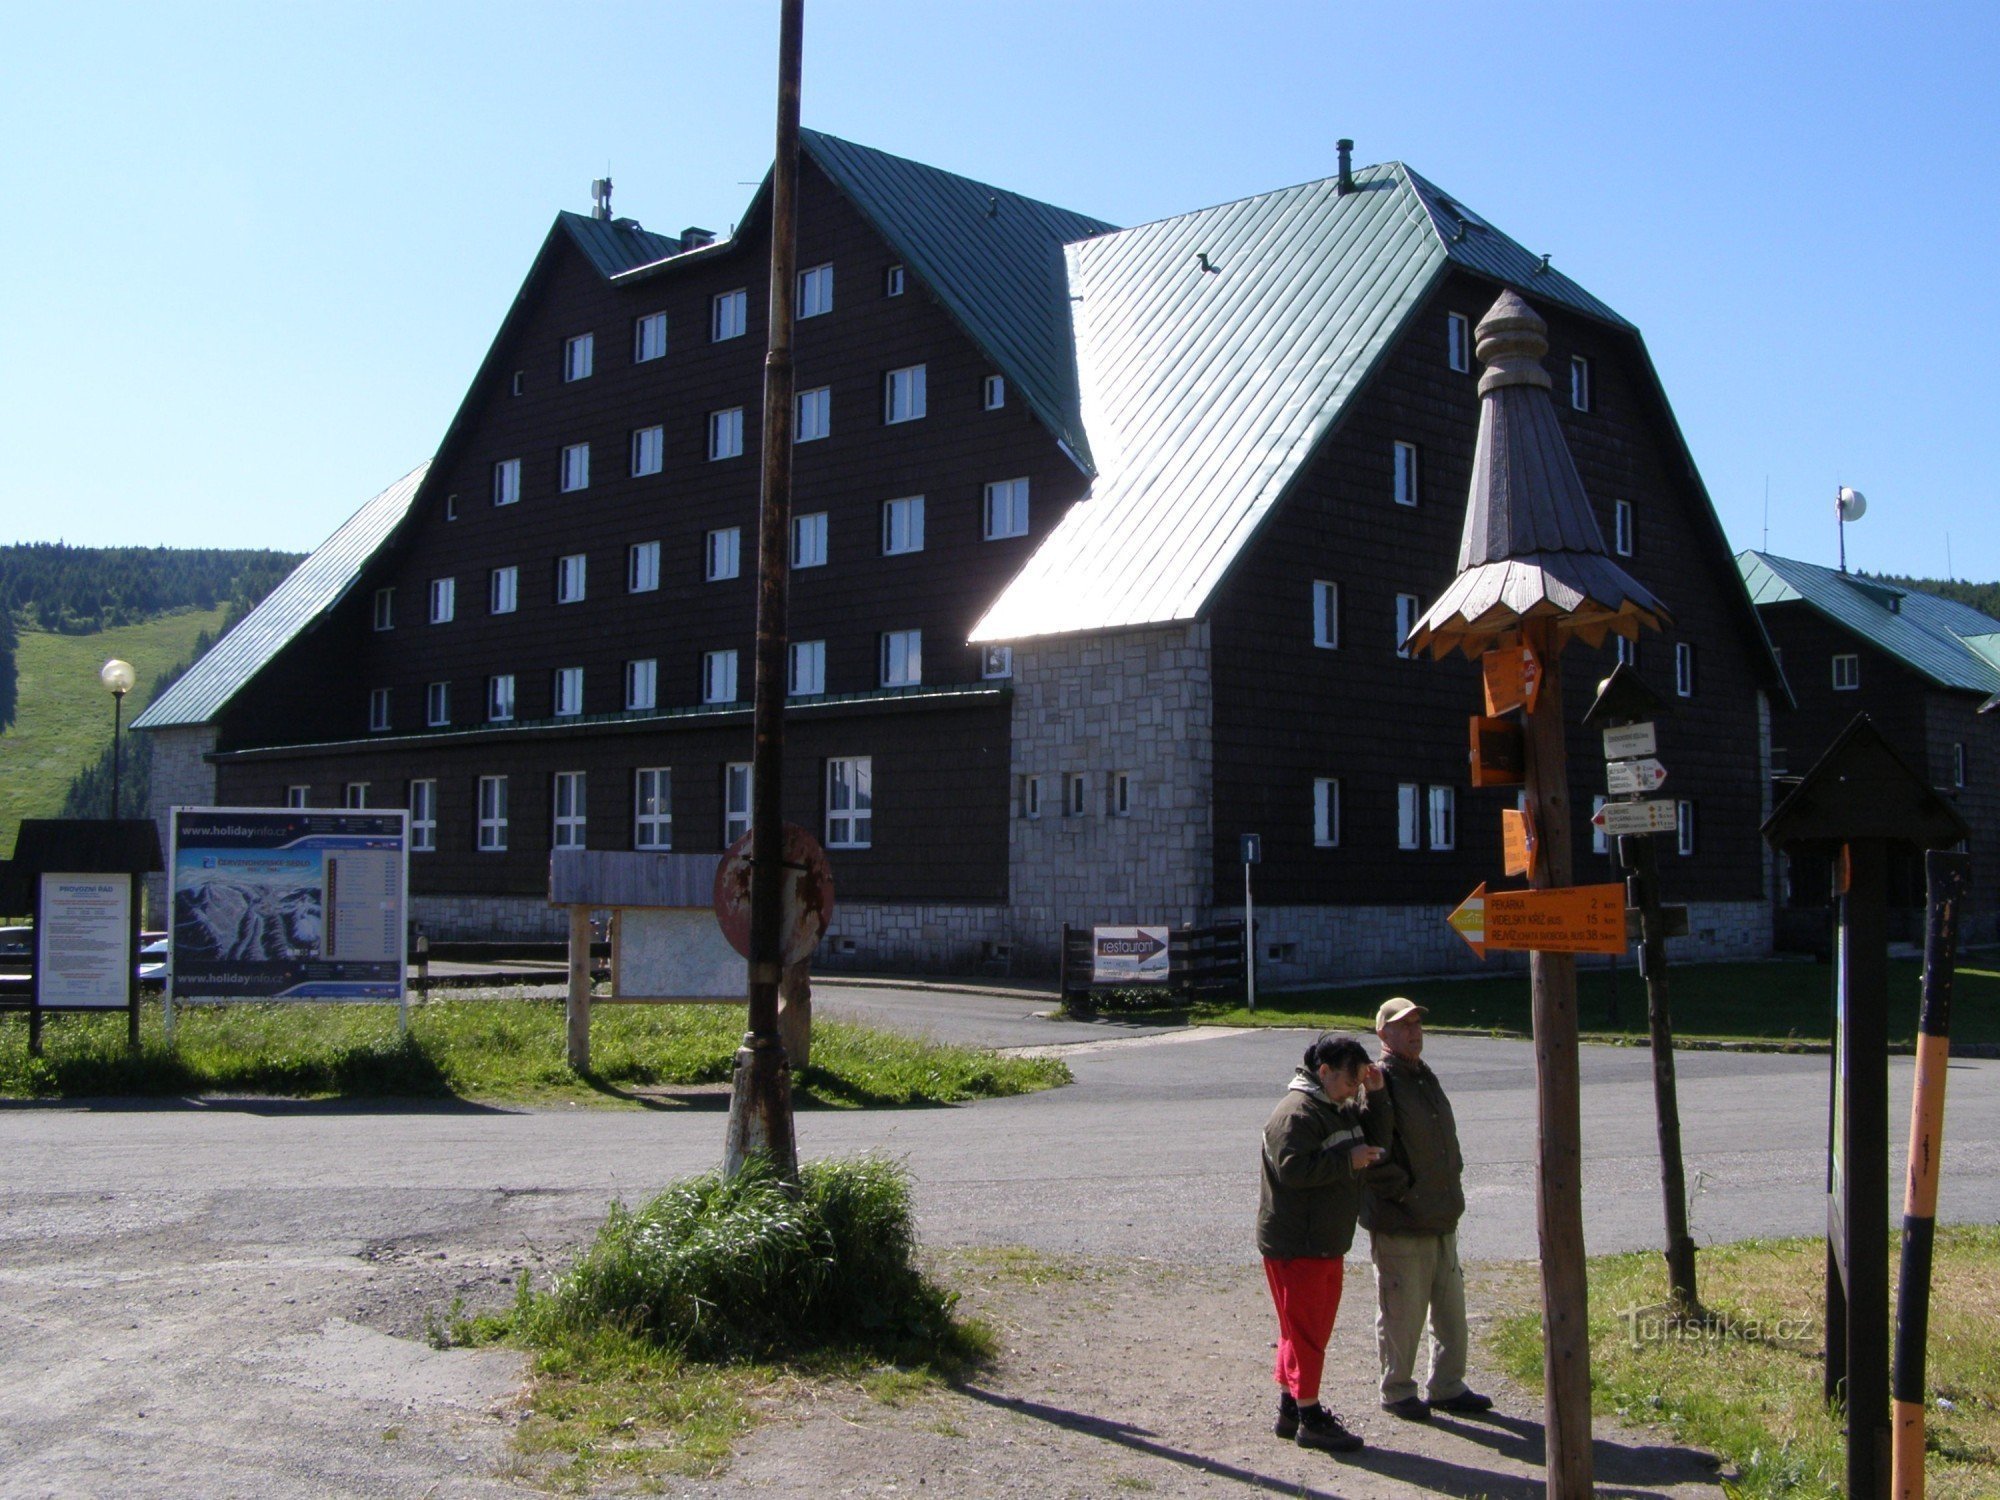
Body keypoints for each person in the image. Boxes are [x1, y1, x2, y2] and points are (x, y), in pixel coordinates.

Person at [1360, 996, 1494, 1420]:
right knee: (1402, 1315)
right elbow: (1372, 1155)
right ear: (1383, 1033)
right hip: (1402, 1221)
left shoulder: (1422, 1075)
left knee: (1452, 1316)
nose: (1415, 1031)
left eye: (1418, 1023)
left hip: (1440, 1217)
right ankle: (1398, 1391)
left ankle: (1447, 1387)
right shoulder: (1379, 1082)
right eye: (1404, 1025)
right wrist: (1409, 1194)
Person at [1257, 1031, 1388, 1453]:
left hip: (1321, 1240)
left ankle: (1290, 1408)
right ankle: (1310, 1417)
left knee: (1298, 1330)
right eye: (1351, 1081)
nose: (1354, 1090)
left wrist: (1376, 1095)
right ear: (1324, 1071)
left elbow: (1375, 1141)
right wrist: (1345, 1161)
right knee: (1308, 1331)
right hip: (1300, 1243)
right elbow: (1292, 1171)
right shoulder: (1295, 1112)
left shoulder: (1336, 1106)